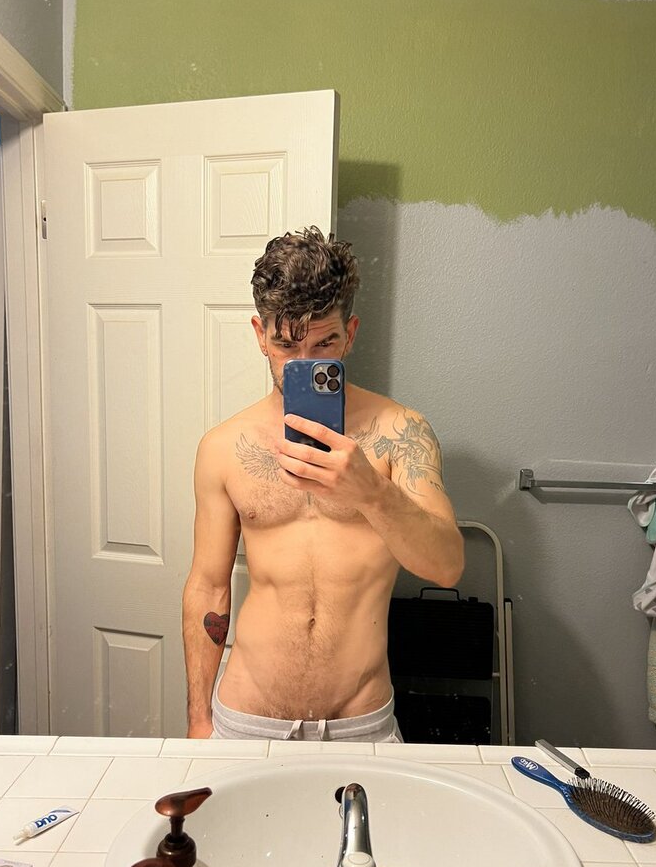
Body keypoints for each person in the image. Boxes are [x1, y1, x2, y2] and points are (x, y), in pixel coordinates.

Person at [182, 226, 464, 740]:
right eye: (286, 344)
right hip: (245, 718)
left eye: (324, 342)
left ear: (350, 333)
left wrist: (371, 492)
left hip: (360, 722)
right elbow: (208, 586)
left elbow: (446, 567)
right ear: (260, 334)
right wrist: (199, 719)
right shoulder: (223, 447)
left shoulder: (400, 433)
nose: (305, 363)